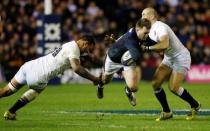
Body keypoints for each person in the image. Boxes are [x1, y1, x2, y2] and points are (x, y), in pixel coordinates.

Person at [0, 35, 100, 120]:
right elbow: (77, 68)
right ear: (85, 43)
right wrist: (94, 79)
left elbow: (81, 59)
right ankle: (11, 111)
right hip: (39, 75)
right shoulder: (74, 49)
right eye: (88, 49)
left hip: (29, 66)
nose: (87, 52)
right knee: (37, 90)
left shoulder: (70, 45)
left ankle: (11, 113)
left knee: (6, 91)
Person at [141, 7, 201, 121]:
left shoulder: (160, 27)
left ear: (152, 16)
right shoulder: (150, 30)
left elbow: (164, 44)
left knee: (173, 87)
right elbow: (160, 48)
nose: (141, 17)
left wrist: (147, 48)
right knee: (155, 83)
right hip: (169, 57)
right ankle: (167, 112)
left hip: (181, 57)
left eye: (144, 14)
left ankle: (195, 105)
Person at [97, 18, 151, 106]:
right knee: (106, 80)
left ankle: (128, 91)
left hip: (126, 60)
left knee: (134, 88)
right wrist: (144, 49)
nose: (146, 35)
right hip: (113, 59)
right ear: (137, 29)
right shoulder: (131, 40)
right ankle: (100, 85)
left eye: (148, 33)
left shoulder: (138, 33)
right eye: (145, 33)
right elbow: (136, 56)